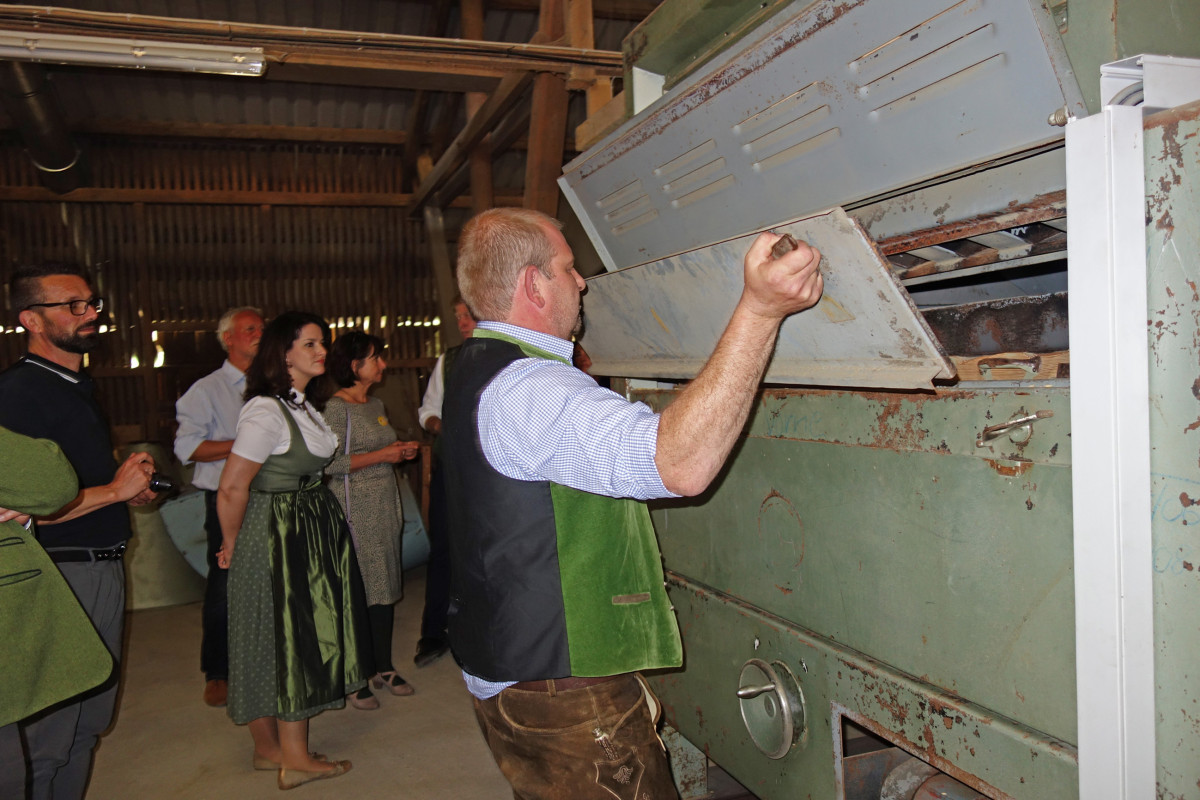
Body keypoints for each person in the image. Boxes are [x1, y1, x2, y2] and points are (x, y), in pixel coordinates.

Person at [442, 208, 823, 800]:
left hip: (512, 670)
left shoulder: (472, 363)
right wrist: (759, 311)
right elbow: (680, 464)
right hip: (560, 694)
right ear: (532, 285)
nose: (583, 281)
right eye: (569, 269)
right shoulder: (530, 389)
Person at [0, 262, 162, 800]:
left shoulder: (72, 385)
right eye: (72, 305)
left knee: (88, 726)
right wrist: (114, 492)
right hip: (59, 576)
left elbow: (76, 483)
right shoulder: (18, 395)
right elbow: (18, 510)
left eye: (91, 303)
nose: (90, 313)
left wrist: (124, 486)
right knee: (50, 737)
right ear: (31, 320)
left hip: (101, 566)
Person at [216, 311, 369, 790]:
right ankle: (295, 760)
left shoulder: (299, 403)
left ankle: (272, 750)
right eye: (310, 344)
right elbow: (232, 487)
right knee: (292, 637)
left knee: (274, 633)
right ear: (283, 354)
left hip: (305, 522)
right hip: (280, 529)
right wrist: (233, 543)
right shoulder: (266, 410)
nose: (321, 351)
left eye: (321, 343)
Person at [0, 425, 112, 800]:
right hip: (55, 570)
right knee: (39, 753)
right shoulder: (20, 388)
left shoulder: (78, 393)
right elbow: (53, 481)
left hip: (87, 560)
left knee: (79, 730)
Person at [320, 331, 420, 710]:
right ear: (353, 366)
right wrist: (383, 455)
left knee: (384, 585)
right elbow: (327, 465)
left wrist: (397, 453)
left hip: (382, 504)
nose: (383, 364)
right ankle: (353, 675)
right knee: (359, 591)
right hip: (353, 507)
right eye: (375, 358)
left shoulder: (375, 402)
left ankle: (383, 666)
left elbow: (378, 450)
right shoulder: (335, 409)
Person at [173, 306, 266, 708]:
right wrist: (244, 445)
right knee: (226, 582)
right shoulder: (207, 390)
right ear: (228, 338)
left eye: (262, 329)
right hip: (227, 497)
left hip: (270, 495)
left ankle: (269, 657)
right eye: (249, 330)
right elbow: (188, 448)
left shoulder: (273, 385)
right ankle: (218, 671)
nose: (258, 336)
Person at [413, 296, 476, 667]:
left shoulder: (510, 355)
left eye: (468, 314)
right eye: (458, 317)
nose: (463, 322)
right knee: (443, 551)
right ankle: (433, 632)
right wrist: (442, 426)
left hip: (491, 473)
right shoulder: (449, 360)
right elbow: (427, 410)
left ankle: (476, 631)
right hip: (451, 469)